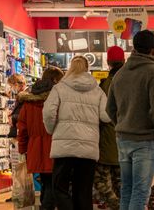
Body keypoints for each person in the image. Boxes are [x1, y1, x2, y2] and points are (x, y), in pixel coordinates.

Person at [106, 30, 154, 210]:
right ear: (153, 49)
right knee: (141, 192)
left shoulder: (120, 74)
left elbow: (109, 108)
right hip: (144, 140)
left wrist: (122, 124)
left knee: (127, 190)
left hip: (122, 139)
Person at [43, 56, 111, 210]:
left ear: (71, 67)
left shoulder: (59, 88)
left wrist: (51, 130)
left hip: (64, 147)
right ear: (87, 68)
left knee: (59, 187)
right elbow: (106, 116)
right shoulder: (97, 91)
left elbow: (48, 113)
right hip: (88, 148)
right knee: (84, 191)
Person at [17, 67, 64, 210]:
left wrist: (23, 149)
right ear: (56, 80)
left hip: (34, 148)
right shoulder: (58, 100)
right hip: (54, 147)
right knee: (52, 184)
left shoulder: (28, 103)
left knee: (45, 182)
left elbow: (22, 129)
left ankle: (44, 206)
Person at [94, 46, 125, 210]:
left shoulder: (104, 85)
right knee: (123, 183)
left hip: (107, 140)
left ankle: (115, 205)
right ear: (124, 61)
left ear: (108, 62)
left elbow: (102, 114)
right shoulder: (130, 82)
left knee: (103, 182)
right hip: (126, 140)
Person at [6, 73, 28, 203]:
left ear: (17, 84)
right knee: (17, 166)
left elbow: (22, 116)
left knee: (19, 166)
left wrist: (12, 118)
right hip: (17, 134)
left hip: (19, 135)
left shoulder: (24, 96)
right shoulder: (22, 96)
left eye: (12, 85)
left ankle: (20, 194)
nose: (11, 89)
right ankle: (17, 193)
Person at [7, 74, 28, 138]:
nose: (11, 89)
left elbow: (27, 114)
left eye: (11, 86)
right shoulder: (21, 94)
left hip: (23, 131)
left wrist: (13, 117)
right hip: (19, 130)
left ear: (16, 84)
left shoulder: (27, 94)